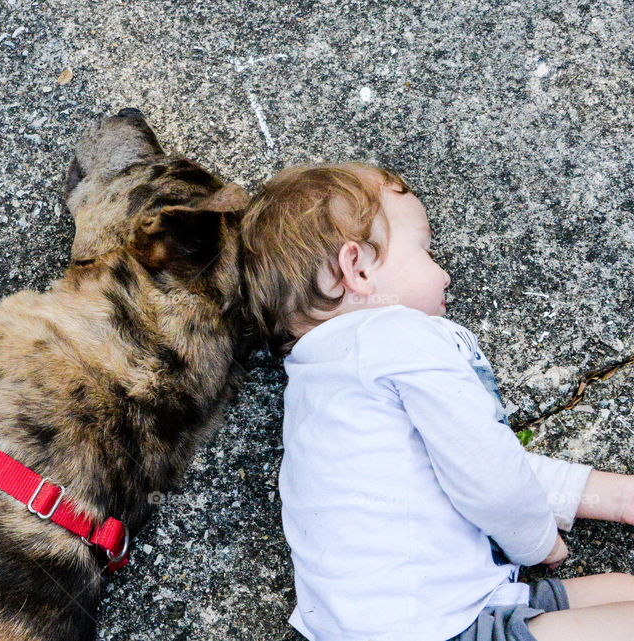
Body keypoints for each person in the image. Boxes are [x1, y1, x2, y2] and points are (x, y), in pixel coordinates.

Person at [239, 163, 634, 641]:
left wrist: (614, 497)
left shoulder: (319, 385)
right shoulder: (397, 334)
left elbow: (468, 460)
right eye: (425, 250)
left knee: (620, 591)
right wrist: (537, 541)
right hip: (432, 628)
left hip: (420, 616)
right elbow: (488, 476)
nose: (444, 274)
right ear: (358, 268)